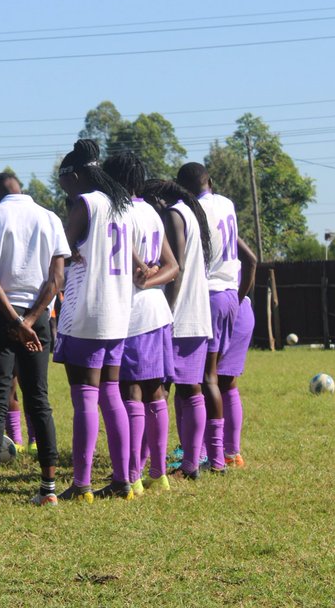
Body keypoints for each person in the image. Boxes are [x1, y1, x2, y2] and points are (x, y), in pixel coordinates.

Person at [53, 140, 148, 501]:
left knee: (84, 397)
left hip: (87, 311)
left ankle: (82, 484)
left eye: (63, 181)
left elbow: (61, 250)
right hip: (118, 312)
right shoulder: (121, 204)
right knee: (111, 393)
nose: (63, 188)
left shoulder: (86, 203)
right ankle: (124, 479)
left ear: (75, 175)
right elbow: (134, 257)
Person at [0, 172, 69, 508]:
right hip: (37, 317)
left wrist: (14, 320)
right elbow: (56, 278)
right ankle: (49, 490)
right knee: (39, 399)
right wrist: (29, 320)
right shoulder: (50, 218)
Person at [104, 153, 179, 497]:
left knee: (131, 391)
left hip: (131, 314)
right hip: (158, 312)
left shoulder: (117, 213)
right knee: (156, 391)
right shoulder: (151, 212)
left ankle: (132, 475)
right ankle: (158, 473)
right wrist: (150, 280)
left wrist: (140, 280)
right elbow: (172, 266)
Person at [176, 162, 255, 474]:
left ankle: (199, 454)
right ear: (209, 180)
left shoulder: (190, 211)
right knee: (226, 382)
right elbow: (249, 258)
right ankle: (229, 452)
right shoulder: (226, 204)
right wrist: (237, 297)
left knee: (193, 381)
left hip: (206, 295)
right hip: (233, 296)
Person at [139, 178, 211, 481]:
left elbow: (176, 268)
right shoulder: (189, 212)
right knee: (190, 388)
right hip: (197, 313)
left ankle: (142, 466)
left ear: (157, 199)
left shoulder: (172, 215)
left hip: (178, 315)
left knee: (156, 391)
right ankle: (191, 464)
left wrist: (167, 312)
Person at [217, 241, 258, 468]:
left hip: (229, 309)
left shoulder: (215, 229)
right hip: (238, 310)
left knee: (204, 383)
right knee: (225, 383)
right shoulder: (227, 230)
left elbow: (251, 260)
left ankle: (204, 452)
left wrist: (237, 300)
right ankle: (230, 453)